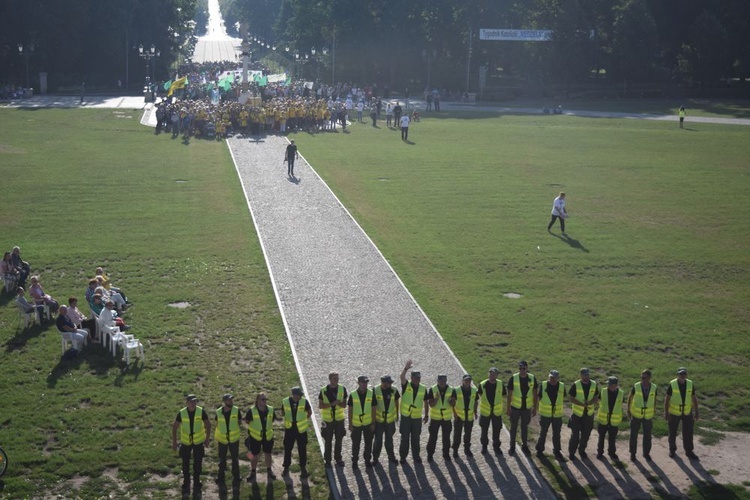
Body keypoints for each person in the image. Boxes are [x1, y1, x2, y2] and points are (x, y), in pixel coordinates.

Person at [172, 394, 211, 496]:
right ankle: (186, 481)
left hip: (198, 442)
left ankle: (197, 481)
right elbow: (175, 427)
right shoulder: (182, 413)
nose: (193, 403)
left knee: (198, 462)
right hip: (186, 442)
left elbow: (208, 424)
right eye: (191, 401)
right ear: (187, 402)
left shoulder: (201, 411)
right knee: (185, 462)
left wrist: (207, 439)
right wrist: (175, 442)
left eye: (195, 401)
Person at [664, 367, 699, 459]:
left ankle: (689, 451)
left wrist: (696, 411)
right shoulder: (672, 384)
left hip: (687, 412)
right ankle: (672, 449)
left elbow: (694, 398)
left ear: (686, 374)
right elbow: (667, 399)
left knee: (688, 432)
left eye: (684, 374)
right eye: (680, 374)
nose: (682, 375)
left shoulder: (690, 384)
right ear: (677, 375)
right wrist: (666, 412)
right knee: (672, 431)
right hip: (674, 412)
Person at [399, 360, 429, 464]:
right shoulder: (406, 385)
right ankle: (403, 456)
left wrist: (426, 415)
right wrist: (406, 368)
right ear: (411, 378)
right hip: (406, 416)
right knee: (405, 438)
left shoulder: (423, 388)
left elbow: (426, 402)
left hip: (417, 418)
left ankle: (416, 456)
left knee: (416, 438)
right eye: (415, 378)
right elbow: (401, 377)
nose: (417, 380)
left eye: (419, 378)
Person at [506, 360, 538, 456]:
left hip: (526, 409)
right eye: (520, 368)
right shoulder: (514, 378)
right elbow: (509, 395)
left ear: (527, 368)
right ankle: (512, 446)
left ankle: (524, 445)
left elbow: (535, 393)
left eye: (523, 368)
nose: (522, 370)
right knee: (513, 428)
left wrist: (535, 407)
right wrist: (508, 408)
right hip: (515, 408)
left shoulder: (532, 378)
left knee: (524, 427)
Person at [568, 367, 599, 460]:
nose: (587, 376)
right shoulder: (576, 384)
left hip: (588, 414)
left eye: (588, 374)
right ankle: (572, 452)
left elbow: (596, 396)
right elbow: (570, 398)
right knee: (575, 435)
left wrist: (590, 402)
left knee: (586, 434)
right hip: (577, 414)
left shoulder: (594, 384)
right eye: (585, 375)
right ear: (581, 375)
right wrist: (581, 404)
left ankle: (582, 450)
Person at [244, 392, 276, 482]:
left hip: (268, 437)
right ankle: (253, 472)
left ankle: (269, 471)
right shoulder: (251, 411)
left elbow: (272, 420)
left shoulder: (270, 409)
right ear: (257, 400)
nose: (264, 401)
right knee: (254, 455)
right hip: (255, 437)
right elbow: (247, 421)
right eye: (262, 399)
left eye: (265, 399)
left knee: (268, 454)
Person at [281, 386, 312, 477]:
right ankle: (286, 467)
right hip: (290, 429)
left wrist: (303, 419)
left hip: (301, 430)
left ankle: (303, 467)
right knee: (287, 448)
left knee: (302, 449)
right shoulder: (286, 402)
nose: (300, 396)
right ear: (294, 395)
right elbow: (282, 412)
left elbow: (309, 412)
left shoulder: (304, 401)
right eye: (299, 395)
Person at [319, 372, 348, 468]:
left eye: (337, 378)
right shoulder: (323, 390)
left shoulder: (342, 389)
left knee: (339, 440)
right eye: (335, 378)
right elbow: (321, 405)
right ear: (330, 379)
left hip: (339, 419)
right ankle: (327, 460)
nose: (337, 380)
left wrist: (338, 403)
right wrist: (332, 404)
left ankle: (338, 458)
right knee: (328, 441)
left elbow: (344, 404)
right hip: (327, 420)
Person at [348, 375, 377, 469]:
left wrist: (373, 423)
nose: (365, 384)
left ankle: (367, 460)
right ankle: (355, 461)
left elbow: (374, 409)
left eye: (366, 382)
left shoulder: (371, 393)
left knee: (368, 443)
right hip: (356, 424)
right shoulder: (353, 394)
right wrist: (350, 424)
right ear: (358, 383)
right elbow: (350, 410)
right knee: (356, 444)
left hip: (368, 423)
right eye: (363, 382)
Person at [628, 369, 657, 461]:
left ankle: (646, 453)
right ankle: (633, 453)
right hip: (636, 415)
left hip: (647, 415)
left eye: (644, 377)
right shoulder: (636, 386)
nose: (642, 379)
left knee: (648, 436)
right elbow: (630, 397)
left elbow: (654, 399)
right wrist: (629, 410)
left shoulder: (654, 387)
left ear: (649, 378)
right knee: (633, 435)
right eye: (641, 377)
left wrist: (653, 410)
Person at [214, 394, 242, 489]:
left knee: (235, 458)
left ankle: (237, 476)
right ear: (224, 401)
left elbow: (239, 422)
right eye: (229, 400)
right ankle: (220, 477)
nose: (231, 401)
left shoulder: (236, 410)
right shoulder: (218, 412)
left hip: (234, 439)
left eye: (231, 400)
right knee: (222, 459)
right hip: (222, 439)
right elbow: (217, 423)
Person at [536, 370, 565, 459]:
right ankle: (539, 450)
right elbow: (539, 397)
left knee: (557, 434)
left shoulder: (562, 386)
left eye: (554, 378)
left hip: (557, 415)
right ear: (549, 377)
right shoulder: (544, 384)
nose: (552, 379)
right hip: (545, 414)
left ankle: (557, 450)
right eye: (551, 377)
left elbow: (563, 397)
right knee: (543, 432)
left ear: (557, 378)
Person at [426, 374, 455, 462]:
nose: (442, 383)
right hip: (435, 418)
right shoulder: (432, 389)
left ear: (446, 381)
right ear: (437, 381)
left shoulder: (451, 390)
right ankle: (430, 454)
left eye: (444, 381)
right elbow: (431, 405)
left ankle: (446, 454)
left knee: (446, 437)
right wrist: (436, 399)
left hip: (446, 418)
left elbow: (453, 404)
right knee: (433, 437)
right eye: (441, 381)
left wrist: (451, 402)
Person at [477, 367, 506, 455]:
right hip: (485, 412)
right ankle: (484, 447)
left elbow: (504, 395)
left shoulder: (500, 384)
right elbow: (480, 394)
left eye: (495, 374)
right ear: (488, 374)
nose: (493, 376)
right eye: (491, 374)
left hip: (496, 413)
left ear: (497, 375)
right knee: (484, 431)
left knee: (497, 430)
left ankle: (496, 447)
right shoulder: (482, 384)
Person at [372, 374, 400, 465]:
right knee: (378, 440)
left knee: (389, 440)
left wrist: (397, 414)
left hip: (390, 421)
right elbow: (372, 406)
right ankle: (375, 458)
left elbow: (396, 402)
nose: (390, 384)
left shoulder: (394, 389)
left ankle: (391, 456)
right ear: (383, 383)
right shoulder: (375, 390)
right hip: (379, 421)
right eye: (389, 383)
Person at [596, 376, 624, 460]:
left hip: (614, 420)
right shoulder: (603, 391)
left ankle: (612, 453)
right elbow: (598, 401)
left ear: (615, 385)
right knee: (601, 437)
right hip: (603, 419)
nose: (608, 385)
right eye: (608, 384)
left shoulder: (621, 393)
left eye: (610, 384)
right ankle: (600, 452)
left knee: (612, 438)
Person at [453, 374, 478, 458]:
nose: (468, 382)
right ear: (463, 381)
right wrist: (455, 415)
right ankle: (455, 450)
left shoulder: (474, 390)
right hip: (459, 416)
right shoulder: (456, 390)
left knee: (468, 434)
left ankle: (467, 449)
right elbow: (452, 403)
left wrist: (475, 411)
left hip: (469, 417)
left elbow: (475, 401)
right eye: (466, 380)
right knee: (457, 434)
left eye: (469, 380)